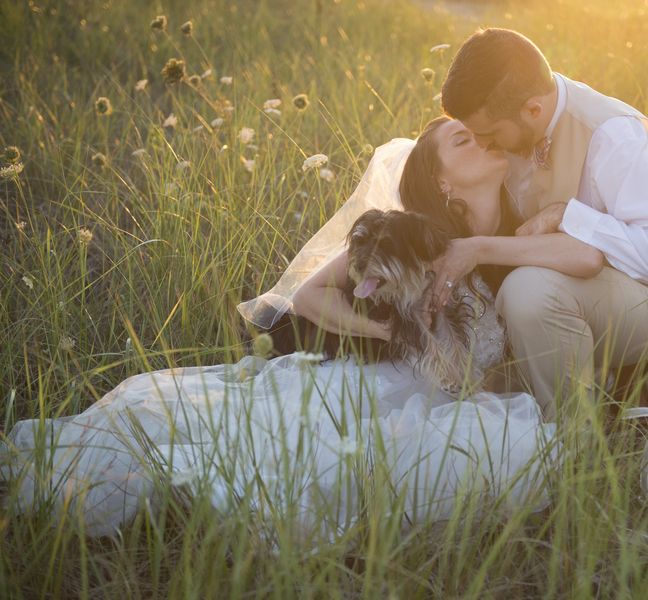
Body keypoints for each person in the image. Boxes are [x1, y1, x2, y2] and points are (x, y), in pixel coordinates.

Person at [0, 119, 614, 543]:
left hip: (457, 400)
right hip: (381, 384)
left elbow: (585, 262)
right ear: (441, 179)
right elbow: (310, 294)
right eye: (462, 139)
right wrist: (385, 332)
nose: (481, 139)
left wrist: (514, 234)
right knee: (269, 451)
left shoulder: (517, 231)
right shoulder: (405, 232)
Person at [434, 28, 648, 420]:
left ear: (533, 110)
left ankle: (576, 445)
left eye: (488, 134)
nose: (483, 145)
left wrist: (568, 216)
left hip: (645, 302)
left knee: (528, 292)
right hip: (561, 285)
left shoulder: (613, 136)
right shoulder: (508, 126)